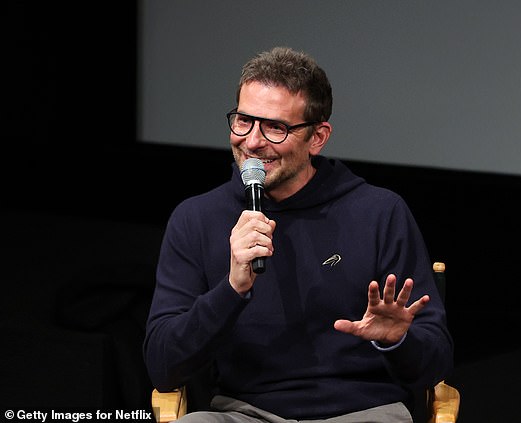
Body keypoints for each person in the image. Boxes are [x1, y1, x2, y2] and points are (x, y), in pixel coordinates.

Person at [143, 46, 453, 423]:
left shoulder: (379, 213)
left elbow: (434, 362)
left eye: (276, 127)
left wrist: (398, 341)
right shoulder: (196, 218)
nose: (253, 141)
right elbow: (163, 366)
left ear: (318, 137)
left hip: (362, 413)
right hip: (246, 414)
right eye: (243, 121)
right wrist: (231, 290)